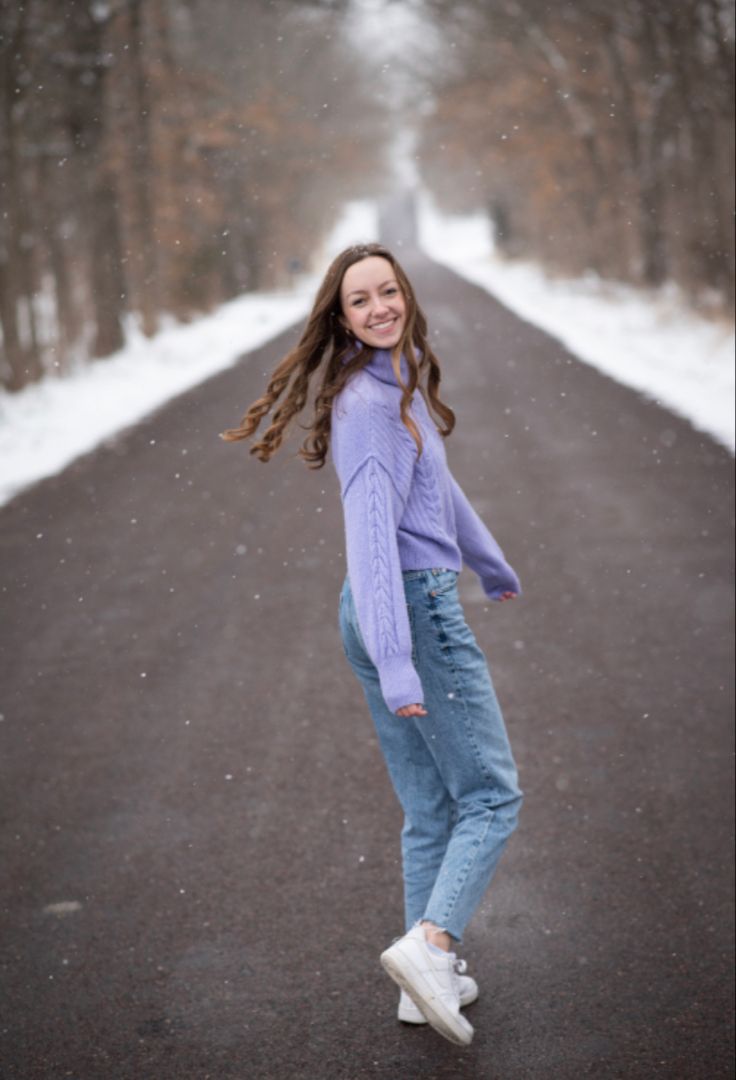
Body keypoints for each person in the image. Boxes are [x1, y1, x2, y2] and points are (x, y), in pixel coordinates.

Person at [220, 242, 523, 1046]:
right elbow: (373, 541)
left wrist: (488, 560)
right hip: (407, 611)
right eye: (362, 300)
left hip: (384, 608)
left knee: (429, 806)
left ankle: (424, 985)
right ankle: (432, 944)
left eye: (389, 291)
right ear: (341, 317)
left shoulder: (402, 379)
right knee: (492, 797)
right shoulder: (368, 406)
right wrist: (397, 659)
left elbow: (440, 487)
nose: (381, 306)